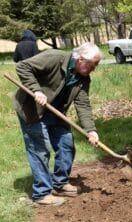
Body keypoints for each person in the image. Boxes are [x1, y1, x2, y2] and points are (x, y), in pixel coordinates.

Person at [13, 42, 102, 206]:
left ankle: (60, 184)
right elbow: (23, 67)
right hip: (33, 110)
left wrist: (91, 130)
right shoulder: (54, 57)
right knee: (40, 149)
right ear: (81, 59)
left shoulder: (83, 78)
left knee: (66, 144)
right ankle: (41, 194)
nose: (94, 69)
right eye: (93, 65)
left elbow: (82, 104)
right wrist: (36, 90)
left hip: (56, 112)